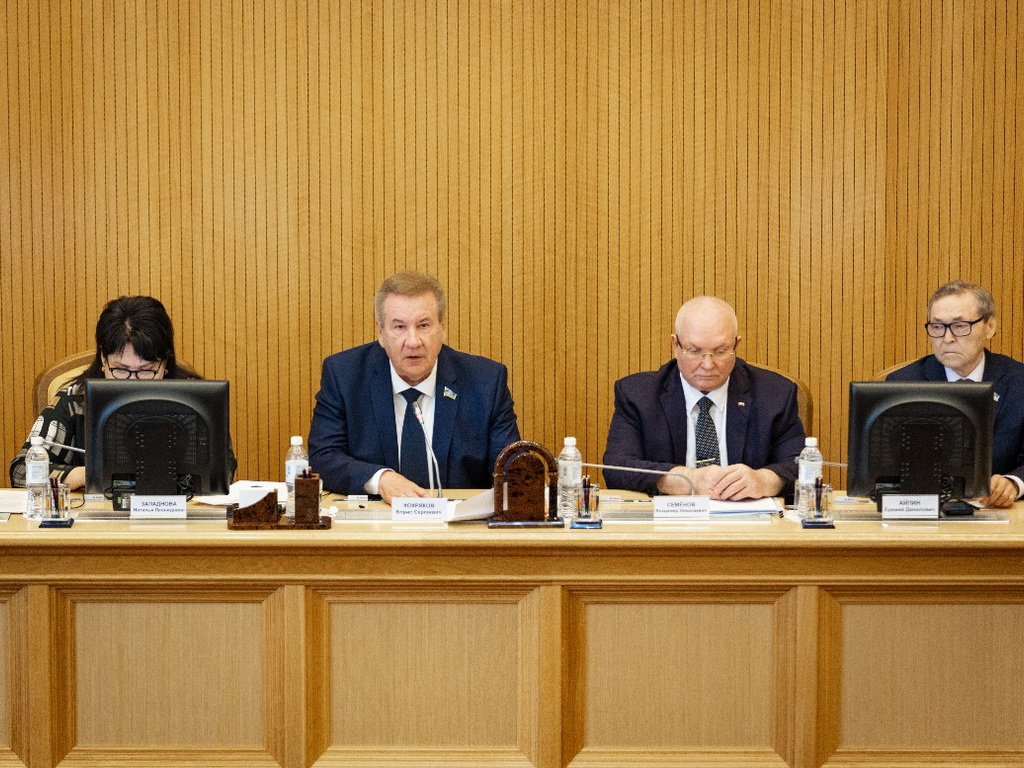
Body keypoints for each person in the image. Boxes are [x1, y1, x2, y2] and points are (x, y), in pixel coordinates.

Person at [308, 271, 521, 502]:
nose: (413, 341)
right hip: (376, 519)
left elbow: (510, 467)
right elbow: (323, 457)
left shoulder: (485, 381)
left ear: (443, 327)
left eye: (424, 325)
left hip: (459, 520)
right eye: (400, 327)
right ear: (381, 332)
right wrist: (381, 479)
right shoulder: (345, 375)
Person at [9, 295, 237, 489]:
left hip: (178, 519)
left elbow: (222, 472)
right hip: (96, 521)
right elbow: (21, 471)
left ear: (165, 363)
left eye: (146, 370)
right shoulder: (76, 399)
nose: (132, 381)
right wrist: (84, 475)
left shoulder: (196, 401)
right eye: (120, 370)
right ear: (103, 360)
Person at [603, 296, 806, 499]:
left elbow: (801, 465)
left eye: (720, 351)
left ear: (736, 345)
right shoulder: (638, 395)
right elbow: (617, 468)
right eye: (694, 351)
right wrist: (686, 480)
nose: (708, 365)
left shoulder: (775, 394)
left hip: (749, 517)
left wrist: (764, 480)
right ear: (675, 345)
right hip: (670, 517)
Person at [886, 280, 1024, 508]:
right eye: (937, 327)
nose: (947, 338)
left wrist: (1014, 482)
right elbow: (887, 465)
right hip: (923, 511)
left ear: (990, 327)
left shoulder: (1019, 381)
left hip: (998, 512)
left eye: (960, 326)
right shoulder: (903, 383)